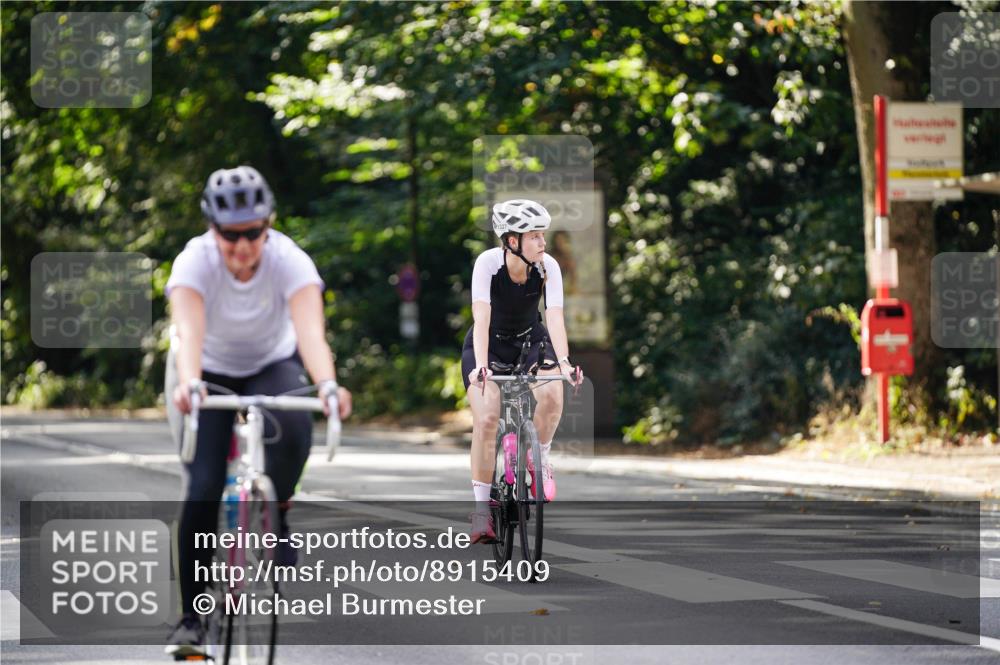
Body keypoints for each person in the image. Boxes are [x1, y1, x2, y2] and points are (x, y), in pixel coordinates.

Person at [163, 165, 352, 657]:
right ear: (213, 229)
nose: (243, 245)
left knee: (293, 424)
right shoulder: (194, 262)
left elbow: (311, 334)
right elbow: (189, 332)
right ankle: (192, 619)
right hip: (206, 368)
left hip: (271, 361)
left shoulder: (290, 260)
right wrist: (189, 383)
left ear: (268, 225)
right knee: (202, 486)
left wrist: (328, 385)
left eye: (253, 232)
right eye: (230, 235)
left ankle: (279, 508)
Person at [461, 199, 583, 543]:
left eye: (542, 235)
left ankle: (538, 458)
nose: (543, 242)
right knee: (487, 418)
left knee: (553, 394)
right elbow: (481, 318)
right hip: (489, 345)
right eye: (534, 236)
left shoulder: (547, 266)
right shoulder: (488, 264)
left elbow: (554, 316)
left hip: (532, 341)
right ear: (512, 241)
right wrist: (481, 366)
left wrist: (564, 362)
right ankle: (482, 512)